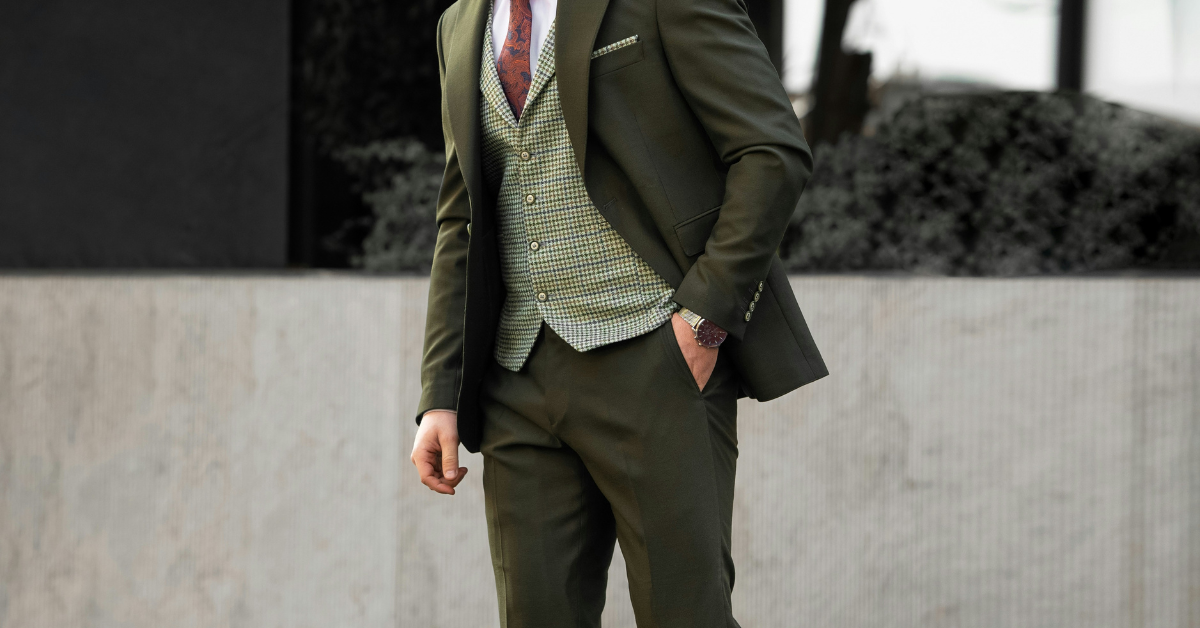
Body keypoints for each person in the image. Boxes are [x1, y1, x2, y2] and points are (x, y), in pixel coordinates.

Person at [410, 0, 827, 625]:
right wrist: (440, 394)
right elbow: (462, 217)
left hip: (655, 359)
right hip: (516, 378)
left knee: (684, 617)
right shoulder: (459, 23)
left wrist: (704, 318)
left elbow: (772, 151)